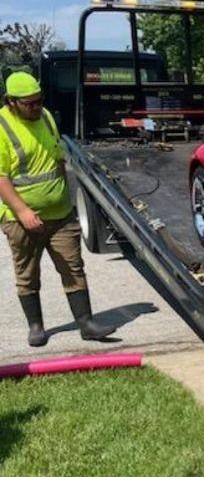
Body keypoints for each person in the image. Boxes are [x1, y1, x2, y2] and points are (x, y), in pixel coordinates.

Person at [0, 70, 117, 347]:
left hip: (61, 214)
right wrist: (24, 212)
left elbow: (57, 160)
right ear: (12, 101)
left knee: (73, 268)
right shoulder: (2, 128)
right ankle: (36, 327)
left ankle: (87, 324)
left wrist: (66, 198)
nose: (36, 107)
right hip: (21, 218)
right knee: (27, 273)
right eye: (29, 103)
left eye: (39, 100)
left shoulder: (46, 117)